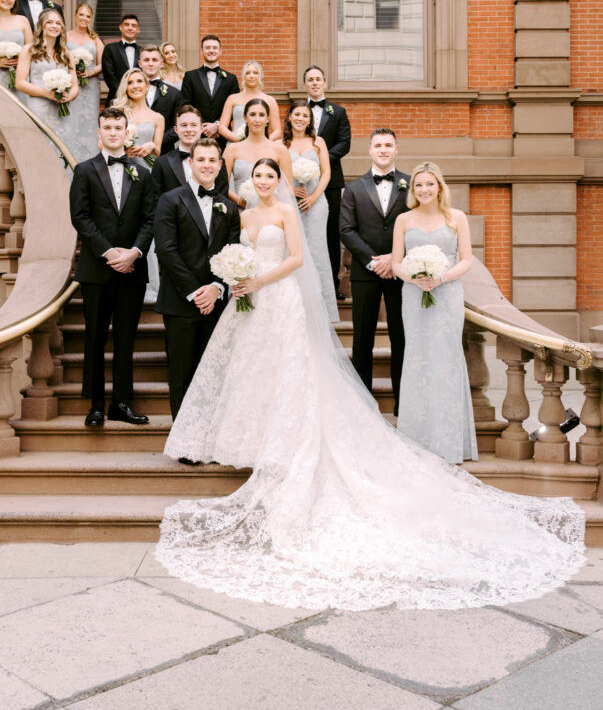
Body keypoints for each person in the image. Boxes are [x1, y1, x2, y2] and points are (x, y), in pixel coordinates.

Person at [156, 157, 585, 613]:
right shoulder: (239, 215)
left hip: (279, 297)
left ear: (278, 181)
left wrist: (258, 278)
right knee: (249, 372)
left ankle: (288, 439)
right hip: (249, 302)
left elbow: (298, 258)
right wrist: (238, 278)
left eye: (269, 176)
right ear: (248, 181)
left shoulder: (285, 213)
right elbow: (229, 255)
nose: (263, 181)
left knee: (289, 372)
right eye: (257, 176)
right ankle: (249, 438)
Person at [69, 106, 153, 428]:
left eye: (119, 127)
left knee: (125, 339)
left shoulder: (142, 172)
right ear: (99, 131)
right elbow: (80, 217)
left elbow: (149, 219)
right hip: (97, 269)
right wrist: (108, 252)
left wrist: (133, 252)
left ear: (126, 131)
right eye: (108, 127)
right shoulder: (84, 170)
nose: (113, 132)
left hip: (133, 269)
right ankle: (96, 405)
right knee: (95, 338)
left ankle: (122, 403)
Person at [392, 162, 478, 464]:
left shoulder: (456, 218)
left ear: (439, 187)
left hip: (447, 293)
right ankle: (416, 438)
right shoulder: (403, 219)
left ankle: (449, 440)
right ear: (412, 190)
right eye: (418, 185)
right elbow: (396, 263)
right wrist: (414, 278)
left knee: (446, 359)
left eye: (429, 184)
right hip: (414, 295)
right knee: (417, 357)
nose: (424, 190)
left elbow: (466, 260)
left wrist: (441, 278)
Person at [154, 137, 240, 428]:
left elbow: (231, 251)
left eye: (212, 160)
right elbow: (166, 250)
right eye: (200, 159)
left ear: (219, 165)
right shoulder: (170, 200)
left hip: (215, 304)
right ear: (190, 163)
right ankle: (184, 441)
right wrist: (195, 291)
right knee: (181, 374)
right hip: (180, 302)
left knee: (211, 375)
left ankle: (206, 437)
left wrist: (216, 288)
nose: (206, 165)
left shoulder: (228, 207)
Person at [339, 128, 409, 416]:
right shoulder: (354, 188)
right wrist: (373, 260)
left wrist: (395, 259)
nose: (383, 149)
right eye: (378, 145)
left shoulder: (411, 184)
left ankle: (404, 404)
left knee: (401, 337)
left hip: (401, 273)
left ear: (396, 149)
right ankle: (362, 406)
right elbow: (346, 230)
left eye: (388, 145)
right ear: (369, 150)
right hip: (364, 273)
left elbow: (416, 225)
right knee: (362, 339)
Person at [112, 67, 165, 302]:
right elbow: (104, 145)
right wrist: (124, 149)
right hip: (123, 171)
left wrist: (150, 148)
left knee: (147, 222)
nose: (135, 85)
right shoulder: (118, 113)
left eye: (139, 81)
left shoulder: (158, 118)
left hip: (148, 173)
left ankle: (151, 282)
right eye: (130, 81)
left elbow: (160, 149)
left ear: (147, 86)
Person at [283, 99, 338, 323]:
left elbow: (326, 173)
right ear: (289, 117)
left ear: (310, 120)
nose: (300, 119)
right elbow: (274, 173)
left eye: (305, 115)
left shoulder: (318, 142)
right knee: (292, 250)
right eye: (296, 114)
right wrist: (289, 189)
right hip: (289, 204)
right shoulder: (280, 143)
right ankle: (293, 305)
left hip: (316, 204)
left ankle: (321, 309)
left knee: (316, 250)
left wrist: (314, 197)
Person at [303, 65, 351, 299]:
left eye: (318, 79)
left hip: (330, 182)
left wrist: (320, 160)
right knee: (303, 231)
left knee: (331, 232)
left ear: (324, 83)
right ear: (305, 85)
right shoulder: (298, 111)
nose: (314, 83)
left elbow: (345, 143)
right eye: (310, 79)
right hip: (301, 183)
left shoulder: (339, 112)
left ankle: (331, 285)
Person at [15, 9, 79, 157]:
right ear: (41, 26)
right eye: (49, 22)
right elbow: (20, 83)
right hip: (39, 108)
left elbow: (75, 86)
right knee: (40, 148)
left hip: (62, 109)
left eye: (58, 23)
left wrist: (70, 96)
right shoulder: (29, 50)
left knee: (63, 148)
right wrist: (47, 93)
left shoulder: (67, 53)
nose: (54, 26)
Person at [223, 98, 293, 209]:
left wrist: (270, 204)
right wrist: (240, 201)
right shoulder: (232, 149)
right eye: (252, 114)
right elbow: (222, 184)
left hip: (271, 212)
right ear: (245, 118)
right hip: (240, 212)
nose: (257, 119)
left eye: (261, 115)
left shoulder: (280, 150)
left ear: (267, 119)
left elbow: (288, 188)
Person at [151, 105, 229, 201]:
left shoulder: (217, 161)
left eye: (193, 125)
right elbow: (155, 203)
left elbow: (222, 200)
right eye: (184, 125)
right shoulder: (161, 163)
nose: (189, 130)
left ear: (201, 128)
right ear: (176, 130)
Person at [180, 35, 240, 142]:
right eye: (207, 48)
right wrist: (204, 126)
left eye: (214, 48)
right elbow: (186, 104)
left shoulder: (231, 79)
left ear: (220, 51)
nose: (211, 51)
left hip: (223, 136)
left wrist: (217, 126)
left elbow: (234, 108)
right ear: (201, 51)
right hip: (196, 134)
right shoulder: (190, 76)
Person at [65, 3, 105, 161]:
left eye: (87, 16)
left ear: (91, 19)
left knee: (89, 122)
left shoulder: (95, 39)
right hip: (69, 84)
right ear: (75, 16)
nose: (84, 18)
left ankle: (89, 158)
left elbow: (102, 63)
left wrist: (90, 72)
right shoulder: (65, 36)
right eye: (81, 14)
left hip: (90, 87)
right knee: (71, 121)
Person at [218, 60, 282, 143]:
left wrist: (263, 142)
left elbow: (277, 131)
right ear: (243, 76)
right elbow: (222, 127)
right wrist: (237, 140)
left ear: (260, 76)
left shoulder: (270, 100)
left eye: (255, 73)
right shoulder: (232, 98)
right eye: (247, 73)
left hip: (261, 147)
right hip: (236, 145)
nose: (251, 76)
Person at [138, 46, 181, 143]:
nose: (150, 63)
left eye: (154, 60)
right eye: (146, 60)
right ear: (140, 64)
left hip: (164, 152)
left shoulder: (174, 94)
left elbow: (178, 126)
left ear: (161, 63)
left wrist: (157, 143)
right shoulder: (131, 91)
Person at [101, 13, 141, 104]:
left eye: (133, 26)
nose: (130, 28)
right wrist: (124, 94)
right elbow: (109, 75)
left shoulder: (143, 52)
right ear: (120, 27)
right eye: (126, 25)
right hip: (116, 99)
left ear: (138, 30)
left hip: (138, 101)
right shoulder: (110, 49)